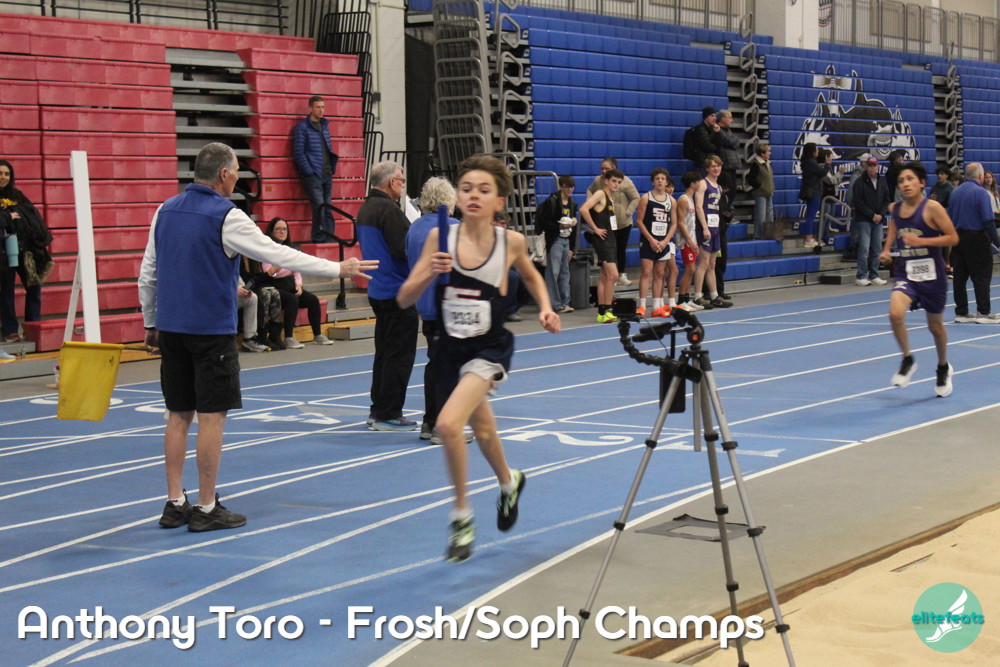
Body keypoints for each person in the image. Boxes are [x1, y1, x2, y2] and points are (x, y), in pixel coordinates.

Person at [138, 142, 377, 531]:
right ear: (223, 174)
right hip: (210, 332)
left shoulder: (164, 211)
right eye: (235, 171)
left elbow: (148, 273)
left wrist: (151, 322)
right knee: (211, 417)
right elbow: (279, 254)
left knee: (178, 414)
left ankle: (174, 502)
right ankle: (206, 507)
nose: (236, 179)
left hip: (171, 328)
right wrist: (337, 268)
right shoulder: (227, 216)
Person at [396, 154, 560, 562]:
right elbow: (404, 298)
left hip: (488, 347)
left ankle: (461, 515)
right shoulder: (440, 239)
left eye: (484, 190)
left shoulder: (510, 243)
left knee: (448, 425)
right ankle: (509, 482)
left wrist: (545, 308)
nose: (473, 195)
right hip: (450, 348)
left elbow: (533, 275)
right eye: (466, 188)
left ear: (499, 201)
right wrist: (428, 273)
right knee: (484, 431)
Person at [878, 161, 958, 397]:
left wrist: (922, 241)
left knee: (935, 327)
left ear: (922, 183)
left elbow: (952, 237)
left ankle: (943, 367)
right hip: (908, 273)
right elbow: (895, 226)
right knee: (895, 314)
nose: (905, 184)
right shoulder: (896, 208)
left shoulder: (932, 208)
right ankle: (907, 359)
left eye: (910, 179)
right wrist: (886, 249)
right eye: (901, 181)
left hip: (933, 276)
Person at [357, 161, 420, 430]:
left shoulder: (365, 208)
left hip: (378, 289)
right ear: (392, 182)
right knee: (399, 355)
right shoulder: (389, 210)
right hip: (397, 290)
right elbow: (403, 249)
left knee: (384, 352)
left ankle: (378, 408)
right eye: (401, 180)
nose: (403, 186)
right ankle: (389, 412)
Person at [404, 176, 461, 443]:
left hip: (425, 305)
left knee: (434, 363)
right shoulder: (454, 227)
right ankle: (442, 425)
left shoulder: (414, 228)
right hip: (449, 306)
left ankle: (430, 421)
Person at [260, 217, 334, 348]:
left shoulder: (291, 249)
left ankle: (317, 335)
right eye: (278, 229)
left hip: (290, 284)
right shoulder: (267, 250)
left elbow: (296, 270)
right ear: (271, 232)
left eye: (284, 229)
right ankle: (288, 337)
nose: (282, 232)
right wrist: (278, 269)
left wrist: (299, 284)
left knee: (313, 300)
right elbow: (269, 273)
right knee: (292, 300)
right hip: (274, 286)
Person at [0, 159, 51, 343]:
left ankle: (33, 327)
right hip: (3, 252)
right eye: (0, 173)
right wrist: (8, 216)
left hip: (24, 250)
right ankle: (10, 331)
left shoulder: (18, 195)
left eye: (7, 174)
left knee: (34, 287)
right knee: (7, 291)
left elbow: (32, 217)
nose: (3, 177)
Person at [946, 162, 1000, 324]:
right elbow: (988, 221)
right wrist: (997, 242)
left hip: (957, 237)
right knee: (981, 276)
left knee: (959, 277)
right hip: (976, 238)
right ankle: (983, 312)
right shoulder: (981, 193)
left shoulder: (955, 192)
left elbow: (950, 217)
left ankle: (961, 312)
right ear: (980, 176)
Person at [291, 96, 339, 243]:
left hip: (326, 172)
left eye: (323, 107)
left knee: (328, 207)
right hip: (314, 174)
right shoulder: (302, 128)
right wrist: (309, 171)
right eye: (318, 107)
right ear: (310, 108)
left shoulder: (325, 127)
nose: (321, 110)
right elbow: (298, 152)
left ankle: (330, 239)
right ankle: (318, 238)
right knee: (319, 207)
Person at [587, 158, 639, 286]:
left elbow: (635, 197)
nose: (604, 171)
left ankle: (621, 273)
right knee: (609, 250)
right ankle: (610, 275)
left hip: (623, 223)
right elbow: (589, 190)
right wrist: (591, 204)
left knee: (621, 248)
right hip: (607, 223)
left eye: (607, 168)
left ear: (614, 168)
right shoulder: (598, 181)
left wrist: (628, 212)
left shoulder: (625, 181)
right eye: (602, 169)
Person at [580, 167, 623, 322]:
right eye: (614, 181)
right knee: (613, 275)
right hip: (603, 240)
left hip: (610, 238)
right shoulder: (600, 194)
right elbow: (583, 209)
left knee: (605, 276)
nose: (616, 184)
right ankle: (608, 309)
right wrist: (595, 228)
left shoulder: (611, 198)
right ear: (606, 181)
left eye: (619, 182)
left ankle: (602, 312)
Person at [634, 168, 678, 317]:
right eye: (657, 178)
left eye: (662, 179)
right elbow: (639, 221)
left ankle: (656, 307)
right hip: (649, 240)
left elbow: (674, 224)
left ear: (666, 182)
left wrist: (665, 241)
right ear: (653, 182)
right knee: (647, 271)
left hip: (663, 241)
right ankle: (642, 306)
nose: (660, 181)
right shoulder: (646, 198)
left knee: (660, 273)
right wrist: (651, 239)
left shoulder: (671, 201)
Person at [692, 156, 732, 310]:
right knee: (703, 263)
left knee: (712, 264)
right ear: (707, 169)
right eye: (713, 166)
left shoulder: (719, 187)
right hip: (706, 227)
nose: (716, 169)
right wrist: (704, 227)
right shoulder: (703, 184)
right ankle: (698, 296)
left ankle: (714, 295)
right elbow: (698, 207)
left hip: (715, 227)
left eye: (718, 166)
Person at [534, 175, 578, 314]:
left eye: (571, 187)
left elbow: (574, 228)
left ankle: (565, 302)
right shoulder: (552, 201)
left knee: (565, 272)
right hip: (555, 239)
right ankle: (555, 304)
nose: (569, 189)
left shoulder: (572, 203)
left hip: (566, 240)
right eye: (567, 187)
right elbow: (544, 222)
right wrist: (559, 227)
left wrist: (572, 248)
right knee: (553, 272)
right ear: (561, 186)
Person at [851, 156, 891, 286]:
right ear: (866, 166)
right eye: (870, 165)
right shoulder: (859, 182)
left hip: (878, 221)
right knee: (864, 249)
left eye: (874, 165)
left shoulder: (882, 182)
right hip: (864, 220)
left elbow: (886, 200)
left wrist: (881, 215)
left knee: (877, 248)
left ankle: (874, 274)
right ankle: (861, 275)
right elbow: (858, 202)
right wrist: (872, 215)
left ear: (877, 166)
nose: (872, 168)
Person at [674, 172, 701, 309]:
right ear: (692, 184)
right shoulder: (683, 200)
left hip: (692, 238)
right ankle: (681, 300)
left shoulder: (691, 199)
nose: (700, 184)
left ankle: (687, 297)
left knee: (692, 269)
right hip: (685, 240)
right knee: (689, 268)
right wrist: (689, 240)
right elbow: (680, 222)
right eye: (698, 181)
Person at [797, 142, 828, 249]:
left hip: (810, 191)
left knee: (810, 215)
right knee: (811, 215)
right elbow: (822, 172)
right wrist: (828, 164)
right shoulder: (811, 163)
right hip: (814, 192)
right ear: (812, 151)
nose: (818, 151)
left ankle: (809, 237)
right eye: (816, 149)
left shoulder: (807, 162)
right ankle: (808, 238)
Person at [747, 143, 774, 240]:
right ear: (762, 153)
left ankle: (769, 234)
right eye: (768, 151)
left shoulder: (767, 163)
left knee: (770, 216)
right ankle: (758, 236)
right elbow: (750, 178)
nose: (770, 153)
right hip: (760, 193)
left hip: (768, 192)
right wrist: (759, 185)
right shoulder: (756, 164)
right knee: (761, 216)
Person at [237, 279, 269, 352]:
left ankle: (249, 339)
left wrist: (244, 289)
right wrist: (233, 289)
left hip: (230, 294)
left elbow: (238, 278)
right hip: (216, 296)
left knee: (252, 298)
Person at [714, 110, 742, 190]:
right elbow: (727, 141)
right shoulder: (717, 130)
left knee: (732, 190)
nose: (732, 120)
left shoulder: (729, 131)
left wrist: (731, 143)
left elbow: (736, 143)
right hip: (724, 166)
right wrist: (731, 142)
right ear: (722, 118)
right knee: (725, 190)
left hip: (731, 165)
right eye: (729, 118)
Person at [689, 106, 720, 172]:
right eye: (712, 116)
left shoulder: (713, 129)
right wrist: (717, 146)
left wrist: (718, 133)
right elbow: (707, 146)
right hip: (702, 163)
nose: (714, 118)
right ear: (706, 117)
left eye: (715, 116)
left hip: (709, 162)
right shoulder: (700, 130)